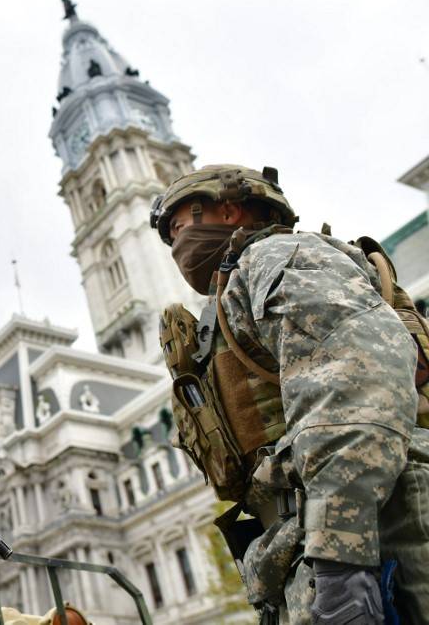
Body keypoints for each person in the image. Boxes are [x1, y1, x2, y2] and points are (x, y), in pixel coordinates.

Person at [150, 165, 429, 624]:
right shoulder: (231, 293)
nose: (175, 244)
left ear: (229, 211)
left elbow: (352, 389)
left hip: (378, 541)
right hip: (313, 549)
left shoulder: (275, 258)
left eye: (178, 227)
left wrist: (341, 561)